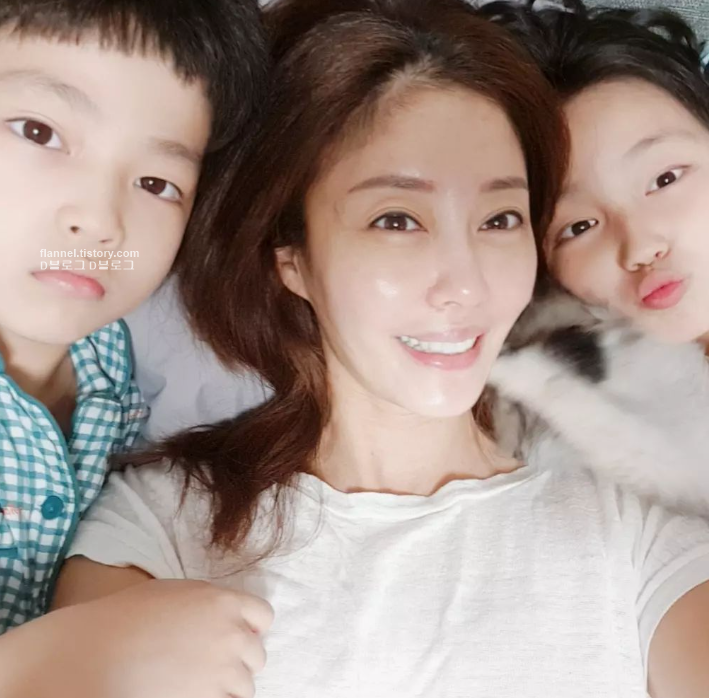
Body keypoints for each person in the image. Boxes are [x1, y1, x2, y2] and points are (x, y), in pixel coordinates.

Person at [43, 0, 709, 696]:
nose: (466, 285)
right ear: (291, 256)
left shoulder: (639, 527)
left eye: (499, 218)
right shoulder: (159, 528)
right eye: (396, 220)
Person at [0, 0, 267, 671]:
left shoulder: (121, 367)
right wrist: (67, 656)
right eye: (38, 132)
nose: (100, 220)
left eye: (156, 182)